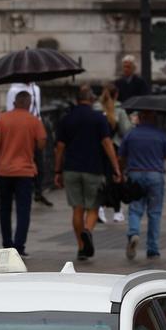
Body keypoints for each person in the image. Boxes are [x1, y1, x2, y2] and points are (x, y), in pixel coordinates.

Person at [55, 85, 122, 261]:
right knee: (93, 206)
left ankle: (80, 247)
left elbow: (60, 148)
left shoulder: (66, 119)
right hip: (94, 168)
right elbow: (107, 143)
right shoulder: (98, 118)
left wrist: (57, 170)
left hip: (71, 168)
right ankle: (88, 231)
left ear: (77, 100)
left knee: (77, 208)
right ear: (91, 100)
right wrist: (116, 167)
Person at [0, 90, 46, 257]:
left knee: (4, 208)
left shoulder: (3, 118)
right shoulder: (34, 121)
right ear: (29, 105)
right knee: (23, 210)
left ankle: (7, 243)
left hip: (4, 170)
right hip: (25, 172)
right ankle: (19, 246)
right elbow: (41, 144)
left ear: (14, 103)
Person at [119, 110, 166, 261]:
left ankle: (134, 233)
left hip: (135, 174)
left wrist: (122, 171)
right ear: (153, 118)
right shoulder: (160, 135)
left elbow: (121, 155)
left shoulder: (131, 134)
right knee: (155, 213)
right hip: (155, 175)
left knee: (135, 209)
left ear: (140, 118)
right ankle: (153, 249)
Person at [5, 82, 52, 206]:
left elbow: (38, 110)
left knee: (39, 162)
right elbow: (10, 110)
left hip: (34, 127)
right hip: (22, 129)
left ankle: (38, 190)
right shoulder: (14, 90)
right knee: (22, 160)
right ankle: (21, 189)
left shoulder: (35, 88)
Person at [95, 82, 133, 224]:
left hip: (98, 149)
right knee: (116, 178)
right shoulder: (120, 110)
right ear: (116, 94)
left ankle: (99, 207)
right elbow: (126, 131)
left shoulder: (96, 109)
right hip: (115, 147)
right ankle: (117, 211)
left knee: (100, 179)